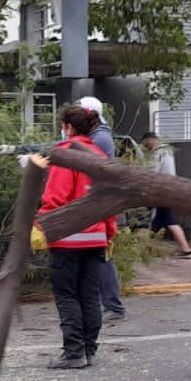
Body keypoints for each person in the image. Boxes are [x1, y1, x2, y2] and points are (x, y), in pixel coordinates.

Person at [36, 105, 118, 369]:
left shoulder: (65, 154)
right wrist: (109, 231)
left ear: (67, 127)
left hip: (67, 238)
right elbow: (109, 200)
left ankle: (73, 352)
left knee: (67, 294)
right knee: (89, 295)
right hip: (95, 237)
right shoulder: (98, 155)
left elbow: (55, 198)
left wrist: (40, 225)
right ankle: (89, 349)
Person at [77, 96, 127, 321]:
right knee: (94, 253)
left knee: (102, 254)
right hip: (96, 201)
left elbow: (79, 160)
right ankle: (104, 303)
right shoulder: (96, 136)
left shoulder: (100, 139)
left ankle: (114, 306)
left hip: (101, 202)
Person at [140, 132, 191, 258]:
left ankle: (186, 250)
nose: (147, 148)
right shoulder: (167, 151)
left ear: (150, 142)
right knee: (156, 222)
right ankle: (144, 248)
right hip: (167, 190)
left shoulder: (159, 153)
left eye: (146, 145)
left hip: (162, 192)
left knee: (170, 221)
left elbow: (152, 171)